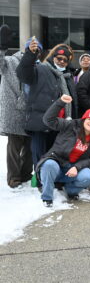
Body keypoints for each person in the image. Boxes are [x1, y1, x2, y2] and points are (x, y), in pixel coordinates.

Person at [16, 40, 78, 168]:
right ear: (53, 57)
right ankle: (40, 180)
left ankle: (51, 178)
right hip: (41, 122)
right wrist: (30, 54)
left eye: (65, 60)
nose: (61, 61)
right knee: (39, 153)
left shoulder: (67, 76)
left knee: (55, 153)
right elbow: (23, 74)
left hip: (60, 123)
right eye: (58, 58)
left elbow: (74, 101)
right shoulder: (40, 69)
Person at [37, 95, 90, 207]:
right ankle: (47, 198)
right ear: (84, 119)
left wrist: (77, 167)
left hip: (72, 169)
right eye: (89, 119)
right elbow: (48, 120)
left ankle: (70, 191)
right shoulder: (70, 125)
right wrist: (60, 103)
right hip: (57, 164)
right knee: (49, 164)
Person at [0, 26, 33, 188]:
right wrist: (2, 47)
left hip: (32, 113)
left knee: (30, 147)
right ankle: (14, 177)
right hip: (14, 111)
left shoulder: (39, 65)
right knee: (14, 147)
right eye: (31, 47)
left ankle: (26, 174)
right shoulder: (11, 61)